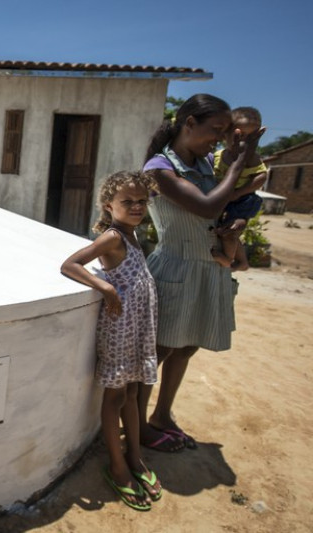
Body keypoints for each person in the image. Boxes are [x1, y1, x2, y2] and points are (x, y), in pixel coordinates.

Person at [139, 94, 264, 453]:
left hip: (208, 270)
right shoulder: (160, 169)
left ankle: (162, 416)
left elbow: (227, 208)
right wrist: (238, 166)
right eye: (217, 130)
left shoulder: (211, 163)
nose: (222, 139)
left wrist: (240, 217)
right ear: (189, 123)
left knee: (187, 347)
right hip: (175, 268)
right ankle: (141, 428)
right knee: (158, 352)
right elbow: (207, 206)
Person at [61, 170, 162, 511]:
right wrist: (104, 287)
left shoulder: (133, 236)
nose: (136, 207)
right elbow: (70, 264)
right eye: (127, 202)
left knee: (133, 392)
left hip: (137, 328)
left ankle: (135, 457)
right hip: (119, 329)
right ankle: (118, 467)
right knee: (116, 395)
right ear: (109, 206)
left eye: (141, 201)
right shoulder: (114, 238)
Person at [211, 106, 268, 270]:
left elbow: (261, 177)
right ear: (225, 134)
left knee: (229, 233)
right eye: (240, 135)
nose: (244, 141)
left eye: (251, 137)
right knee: (226, 234)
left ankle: (228, 259)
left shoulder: (252, 158)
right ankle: (242, 262)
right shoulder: (218, 156)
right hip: (222, 200)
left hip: (241, 201)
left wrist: (238, 193)